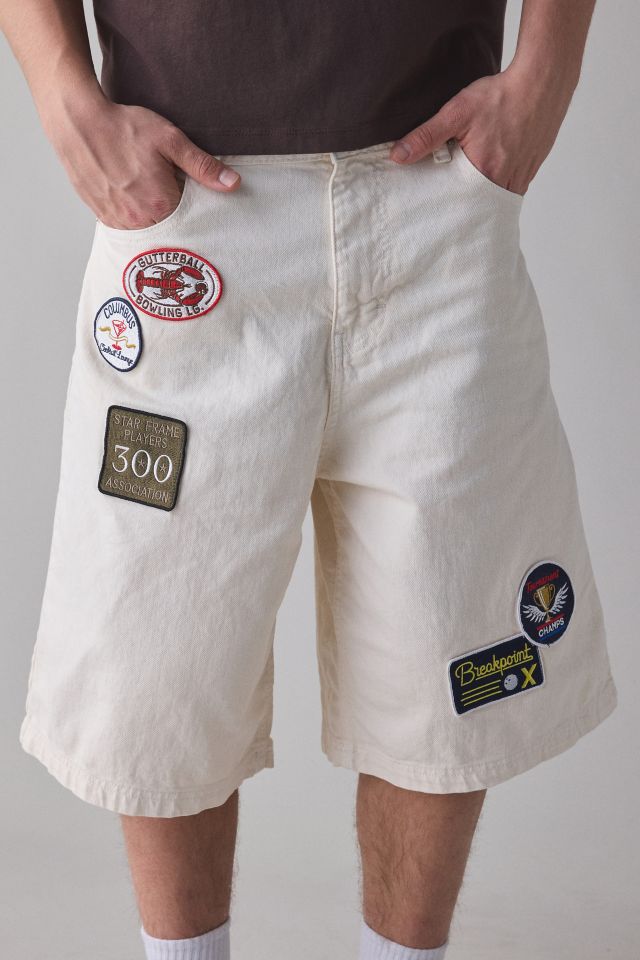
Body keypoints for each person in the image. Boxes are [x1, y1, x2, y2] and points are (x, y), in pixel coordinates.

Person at [3, 1, 618, 958]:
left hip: (437, 197)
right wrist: (59, 91)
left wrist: (545, 74)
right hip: (185, 209)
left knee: (445, 637)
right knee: (156, 654)